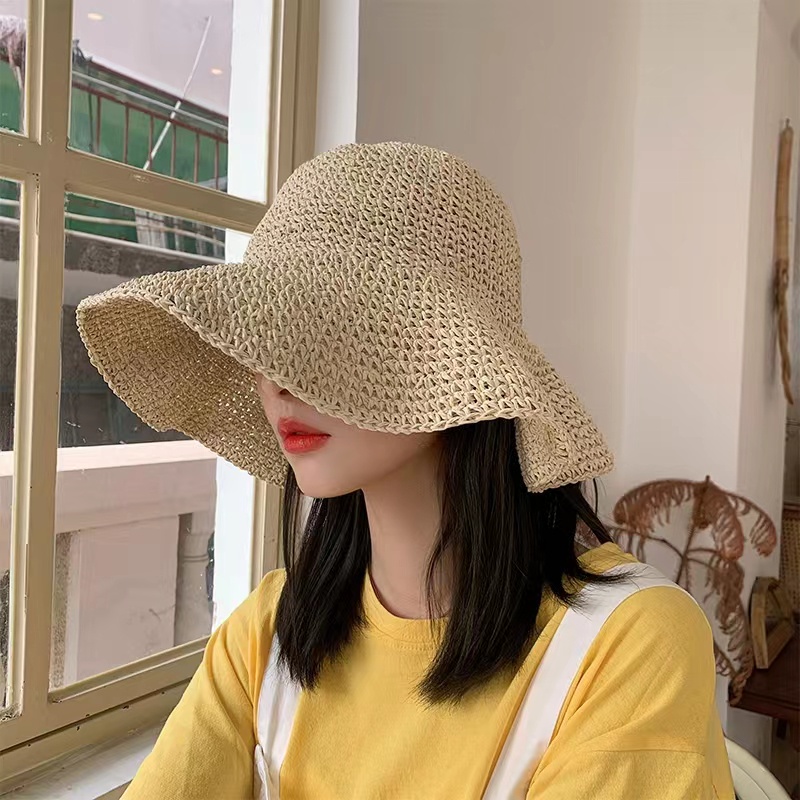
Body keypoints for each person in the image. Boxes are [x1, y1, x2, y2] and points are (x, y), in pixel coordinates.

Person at [77, 142, 734, 799]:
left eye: (327, 331)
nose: (277, 378)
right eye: (267, 337)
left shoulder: (629, 644)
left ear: (449, 358)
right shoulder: (265, 633)